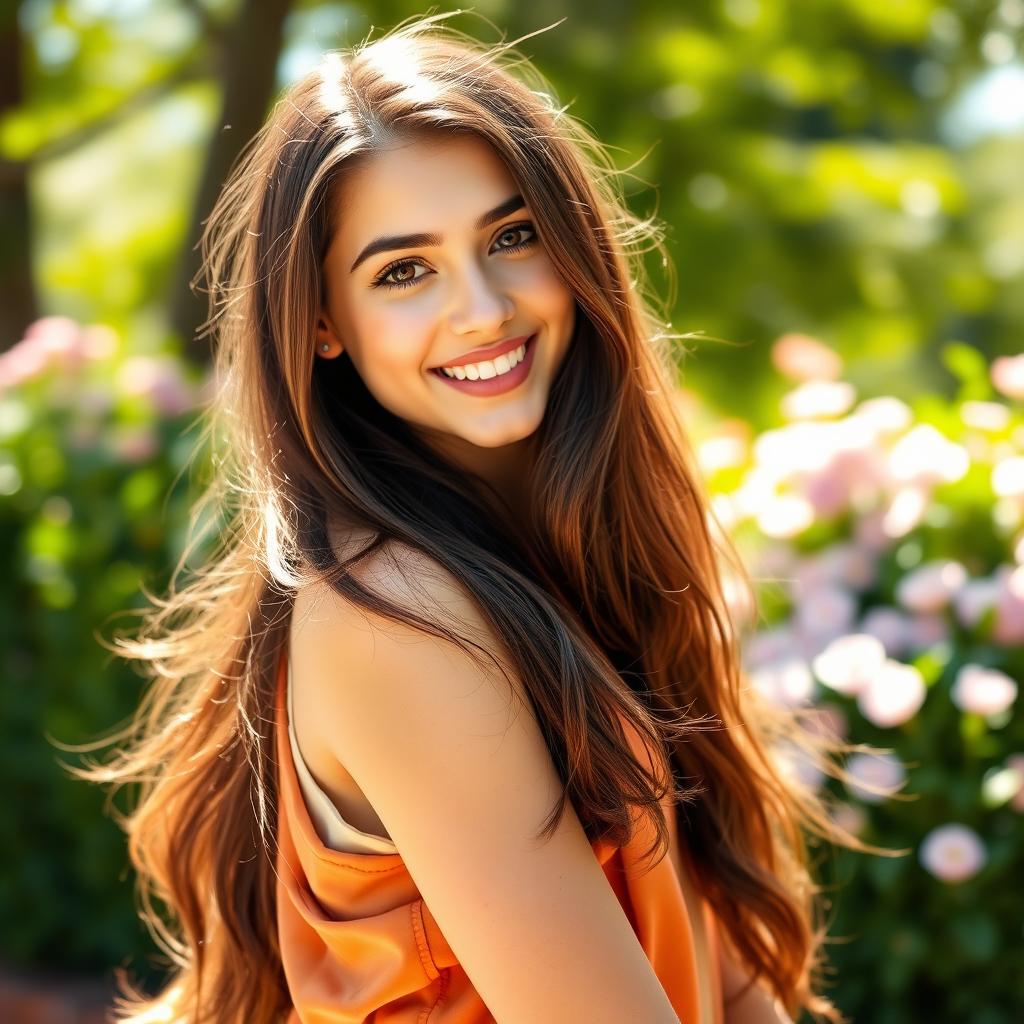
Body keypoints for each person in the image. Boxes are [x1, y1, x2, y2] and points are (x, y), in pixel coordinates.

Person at [76, 12, 868, 1024]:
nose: (484, 306)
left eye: (511, 236)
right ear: (321, 322)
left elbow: (719, 964)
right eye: (404, 271)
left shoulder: (561, 563)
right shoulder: (395, 614)